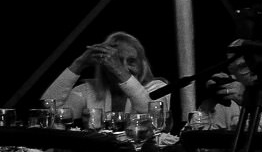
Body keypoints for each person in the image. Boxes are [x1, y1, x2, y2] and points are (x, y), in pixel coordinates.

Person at [39, 32, 170, 126]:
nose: (122, 68)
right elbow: (47, 113)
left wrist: (119, 70)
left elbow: (153, 114)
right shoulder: (88, 91)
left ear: (143, 65)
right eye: (115, 61)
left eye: (131, 61)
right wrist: (79, 64)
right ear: (104, 66)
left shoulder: (158, 87)